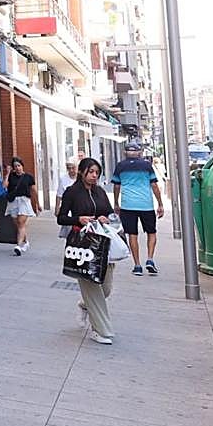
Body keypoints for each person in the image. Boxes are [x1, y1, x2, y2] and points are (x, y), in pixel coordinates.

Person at [57, 157, 116, 344]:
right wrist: (78, 219)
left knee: (105, 288)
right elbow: (61, 218)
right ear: (82, 172)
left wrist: (105, 218)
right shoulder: (72, 192)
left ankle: (84, 305)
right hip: (82, 247)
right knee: (93, 288)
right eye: (91, 172)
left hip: (103, 245)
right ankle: (101, 330)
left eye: (97, 173)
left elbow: (109, 212)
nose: (94, 176)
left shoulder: (99, 192)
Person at [112, 141, 165, 276]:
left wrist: (116, 203)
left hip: (128, 205)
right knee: (151, 232)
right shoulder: (146, 165)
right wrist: (160, 203)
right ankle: (150, 259)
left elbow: (117, 186)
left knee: (132, 234)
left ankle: (137, 265)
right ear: (139, 152)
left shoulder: (120, 166)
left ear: (125, 153)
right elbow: (154, 185)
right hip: (145, 205)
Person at [4, 157, 40, 255]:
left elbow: (34, 191)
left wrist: (37, 204)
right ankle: (26, 242)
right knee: (18, 225)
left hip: (24, 201)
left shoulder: (28, 177)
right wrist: (7, 173)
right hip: (13, 202)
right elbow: (4, 186)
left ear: (22, 166)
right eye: (15, 166)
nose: (17, 168)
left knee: (21, 222)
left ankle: (18, 246)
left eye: (19, 165)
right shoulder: (11, 176)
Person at [55, 159, 79, 239]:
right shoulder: (63, 179)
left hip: (79, 208)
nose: (71, 170)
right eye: (69, 168)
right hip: (68, 208)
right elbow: (59, 194)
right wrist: (57, 208)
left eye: (73, 168)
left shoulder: (81, 178)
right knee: (69, 231)